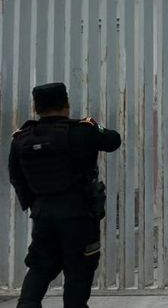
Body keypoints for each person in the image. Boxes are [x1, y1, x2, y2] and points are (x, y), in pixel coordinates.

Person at [8, 82, 121, 308]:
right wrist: (94, 126)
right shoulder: (82, 130)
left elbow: (16, 177)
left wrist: (36, 204)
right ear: (66, 104)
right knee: (78, 271)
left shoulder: (21, 138)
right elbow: (113, 140)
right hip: (78, 215)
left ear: (35, 106)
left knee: (39, 266)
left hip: (43, 214)